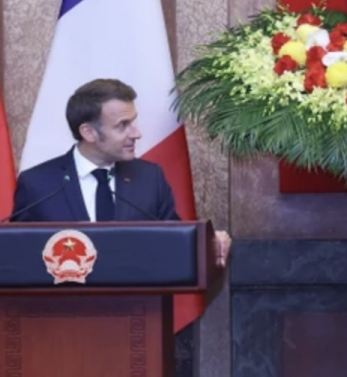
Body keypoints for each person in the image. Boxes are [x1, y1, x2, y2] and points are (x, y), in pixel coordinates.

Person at [12, 78, 231, 266]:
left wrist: (209, 244)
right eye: (122, 125)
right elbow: (17, 255)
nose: (136, 133)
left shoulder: (149, 178)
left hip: (140, 301)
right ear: (89, 132)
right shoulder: (38, 184)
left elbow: (175, 243)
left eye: (133, 122)